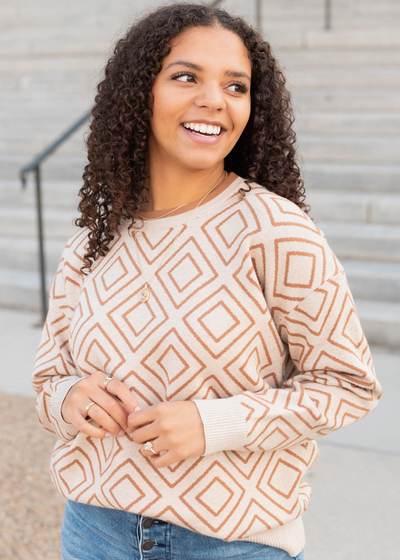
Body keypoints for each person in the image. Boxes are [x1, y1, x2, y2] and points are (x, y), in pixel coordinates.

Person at [32, 3, 382, 560]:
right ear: (138, 92)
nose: (214, 100)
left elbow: (347, 384)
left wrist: (213, 422)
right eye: (186, 76)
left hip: (230, 544)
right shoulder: (91, 243)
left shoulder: (275, 230)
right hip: (94, 532)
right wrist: (68, 397)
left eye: (235, 86)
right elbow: (49, 379)